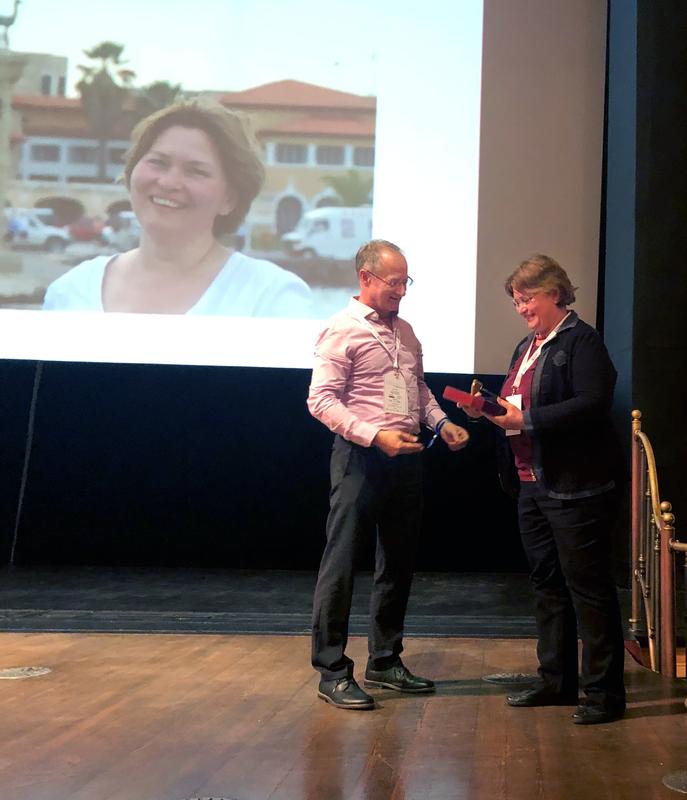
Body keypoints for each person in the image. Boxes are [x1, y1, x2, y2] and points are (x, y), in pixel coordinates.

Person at [461, 254, 626, 725]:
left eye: (526, 298)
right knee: (547, 585)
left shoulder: (582, 341)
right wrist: (488, 411)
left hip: (576, 488)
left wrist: (525, 420)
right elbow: (515, 405)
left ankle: (603, 695)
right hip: (532, 484)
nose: (520, 308)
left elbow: (593, 404)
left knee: (587, 589)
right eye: (516, 300)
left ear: (554, 293)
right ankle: (556, 681)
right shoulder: (526, 345)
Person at [307, 239, 470, 710]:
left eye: (406, 282)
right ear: (366, 278)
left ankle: (384, 659)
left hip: (407, 458)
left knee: (397, 563)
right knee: (341, 564)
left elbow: (417, 388)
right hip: (362, 458)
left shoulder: (407, 332)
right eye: (394, 282)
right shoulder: (342, 330)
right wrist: (373, 436)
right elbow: (320, 401)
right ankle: (332, 670)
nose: (402, 290)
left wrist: (443, 423)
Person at [43, 98, 311, 317]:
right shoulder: (69, 291)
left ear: (229, 198)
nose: (169, 182)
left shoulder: (271, 298)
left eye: (196, 171)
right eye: (158, 162)